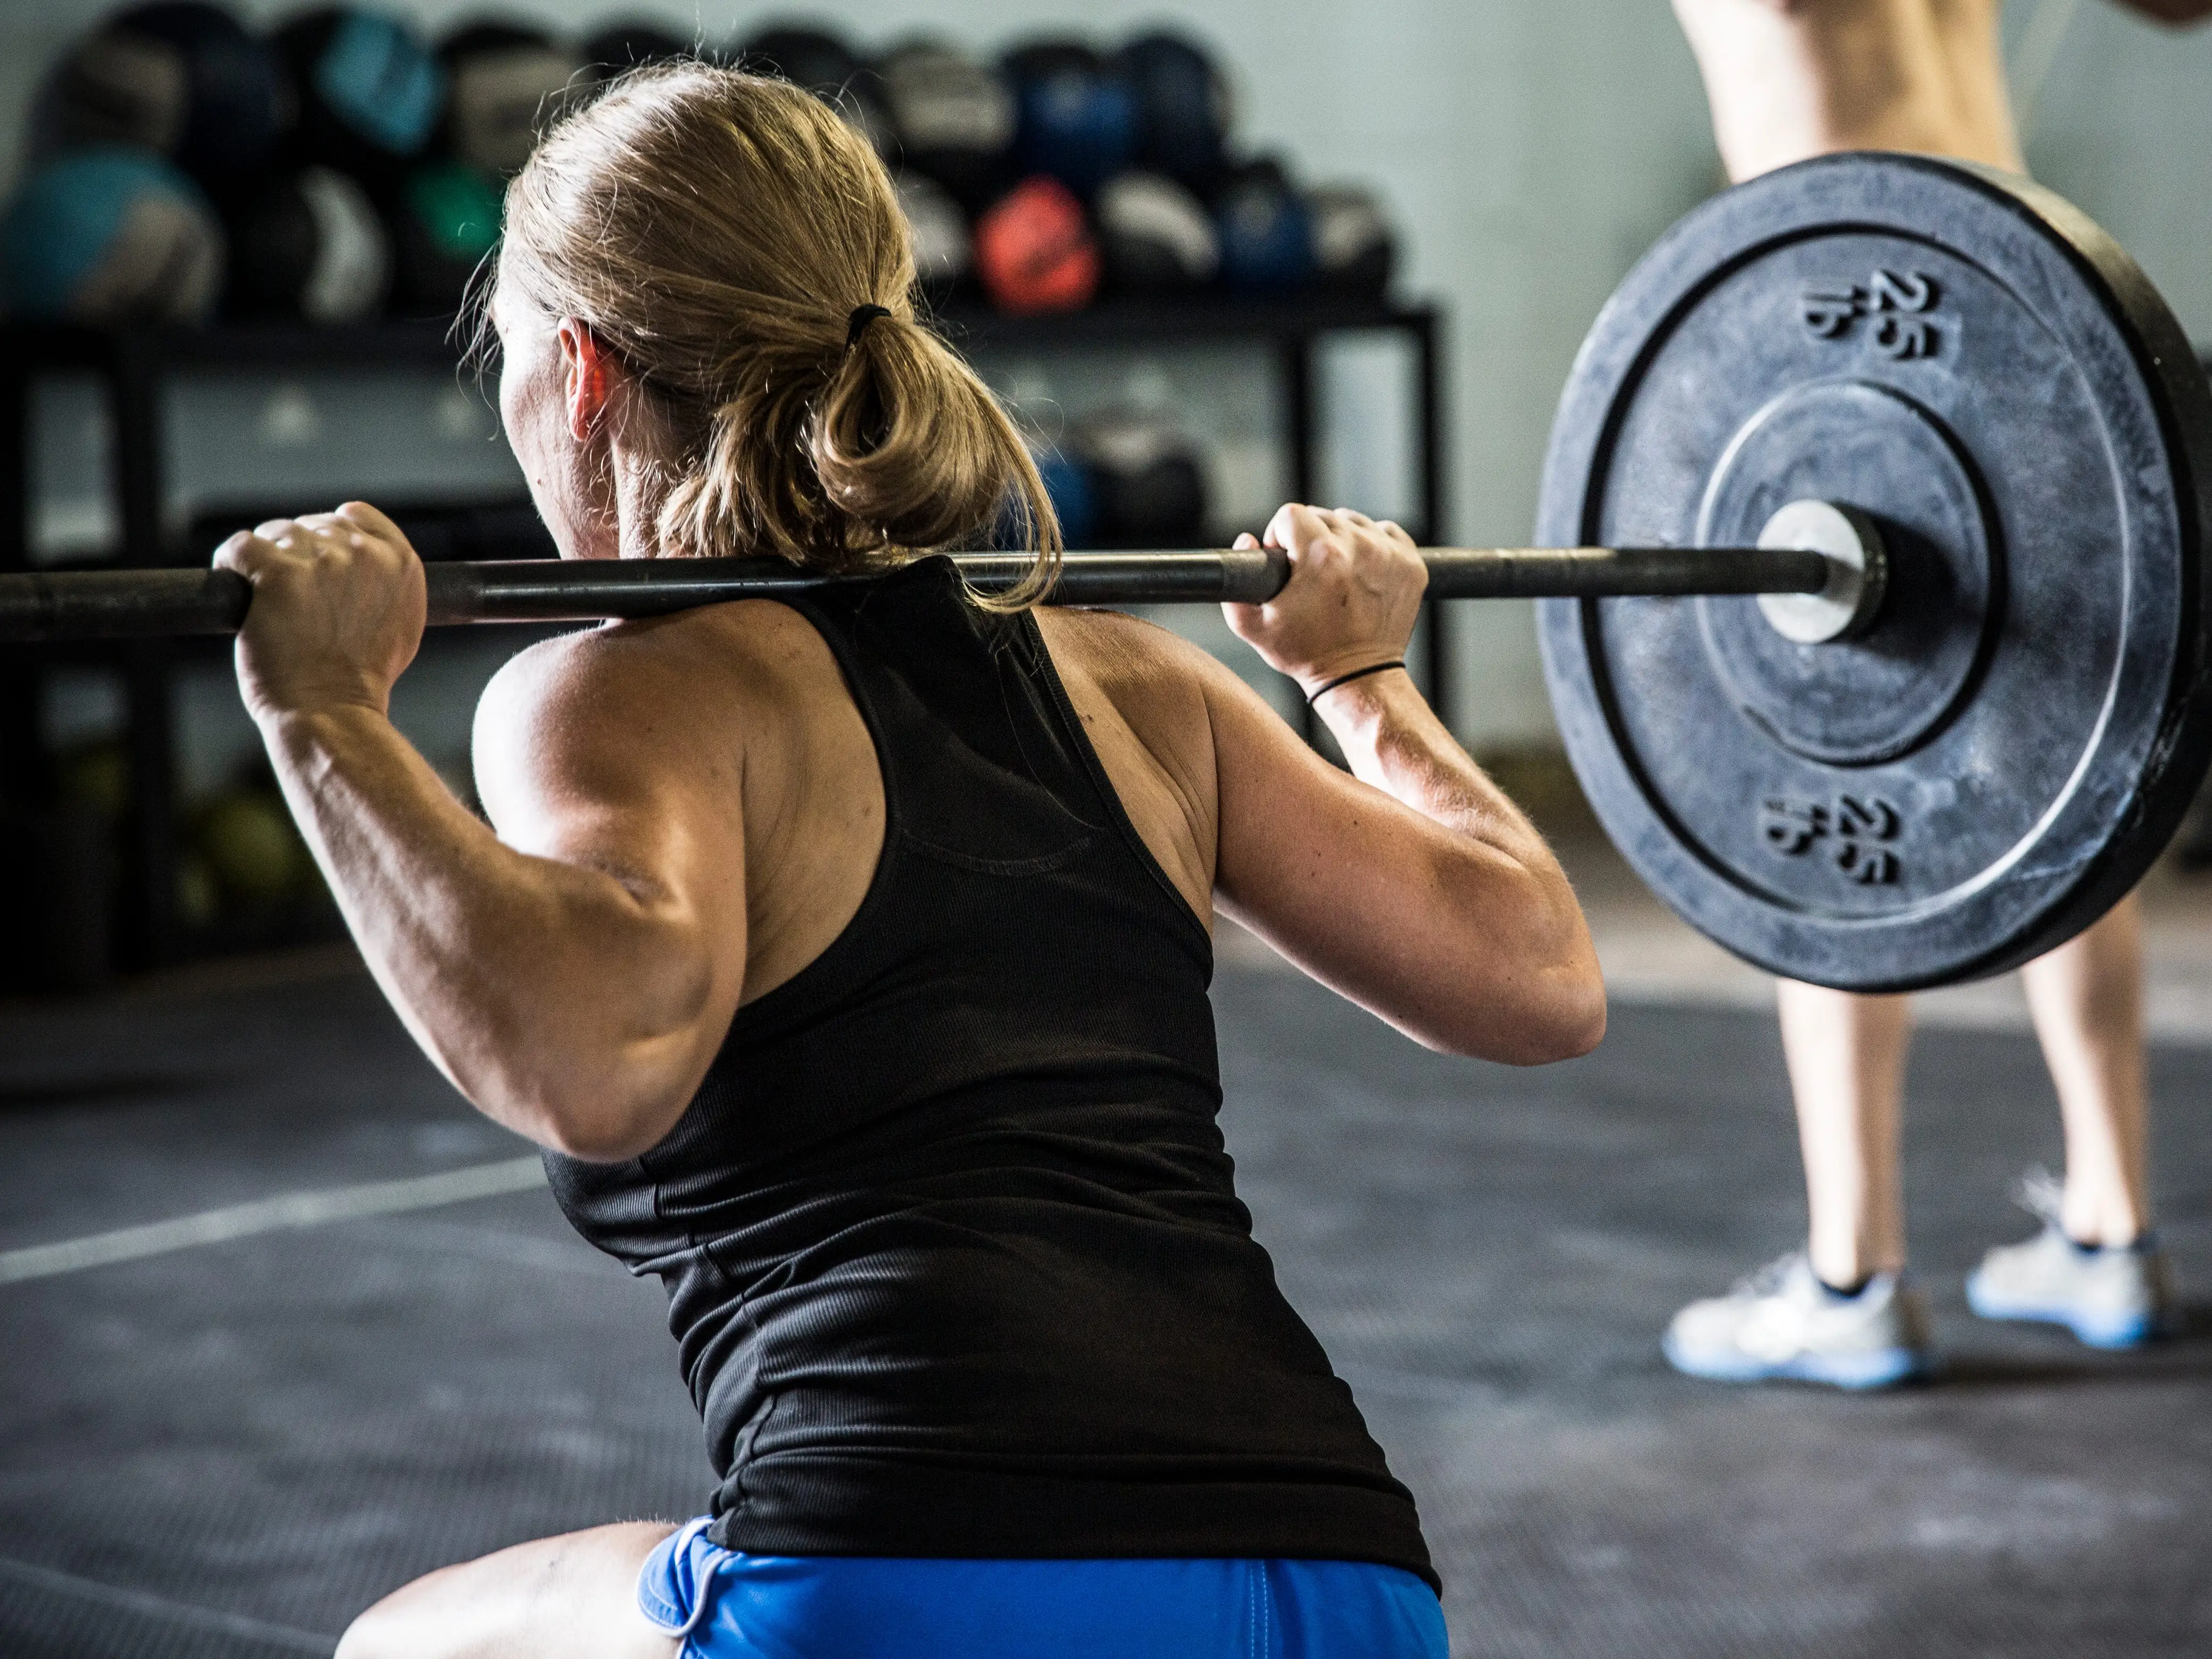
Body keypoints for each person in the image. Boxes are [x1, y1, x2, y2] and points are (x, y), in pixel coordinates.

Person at [212, 64, 1603, 1659]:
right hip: (1335, 1583)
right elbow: (1540, 974)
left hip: (897, 1570)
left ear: (581, 375)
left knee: (404, 1645)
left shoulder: (622, 688)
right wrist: (1361, 676)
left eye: (515, 362)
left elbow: (597, 1060)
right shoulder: (1134, 684)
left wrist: (320, 707)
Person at [1663, 0, 2209, 1389]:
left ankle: (1851, 1271)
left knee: (1824, 773)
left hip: (1842, 326)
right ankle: (2108, 1226)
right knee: (2064, 761)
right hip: (2014, 300)